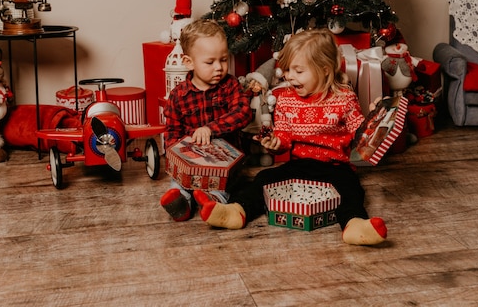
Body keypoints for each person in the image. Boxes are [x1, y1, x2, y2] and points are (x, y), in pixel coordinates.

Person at [193, 28, 388, 246]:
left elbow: (361, 134)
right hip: (300, 166)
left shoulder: (344, 99)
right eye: (287, 70)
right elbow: (283, 138)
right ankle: (236, 211)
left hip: (335, 166)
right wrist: (275, 143)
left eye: (298, 71)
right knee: (263, 179)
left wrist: (375, 118)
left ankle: (354, 223)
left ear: (324, 70)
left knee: (352, 188)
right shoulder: (285, 100)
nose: (289, 76)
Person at [160, 19, 252, 221]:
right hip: (191, 161)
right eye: (210, 62)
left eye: (224, 59)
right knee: (180, 182)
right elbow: (172, 133)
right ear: (189, 62)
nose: (219, 67)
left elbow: (243, 111)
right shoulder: (178, 95)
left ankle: (211, 201)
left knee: (223, 185)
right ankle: (181, 202)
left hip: (224, 165)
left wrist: (210, 129)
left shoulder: (230, 86)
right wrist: (178, 158)